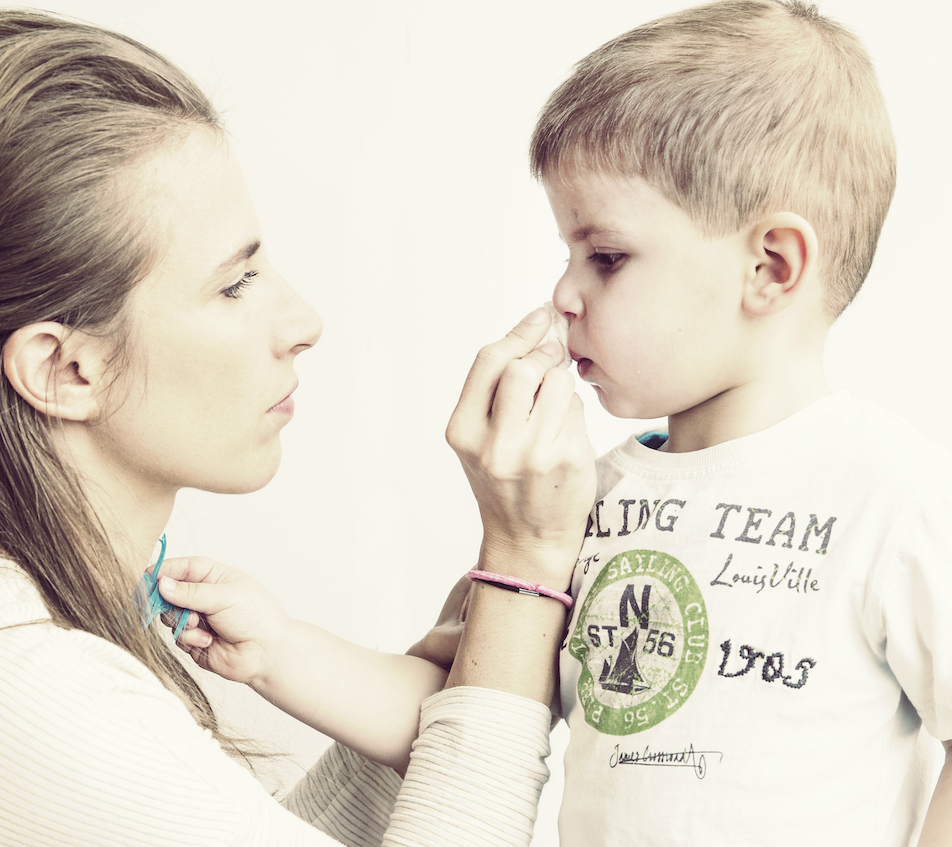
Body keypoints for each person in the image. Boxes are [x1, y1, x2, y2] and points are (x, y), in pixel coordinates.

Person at [164, 1, 952, 845]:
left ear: (770, 266)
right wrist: (279, 649)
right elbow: (468, 711)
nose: (563, 295)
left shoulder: (890, 493)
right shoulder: (575, 500)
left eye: (605, 257)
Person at [0, 9, 595, 846]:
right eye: (235, 282)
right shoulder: (8, 672)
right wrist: (520, 580)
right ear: (65, 370)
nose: (304, 320)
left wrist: (478, 667)